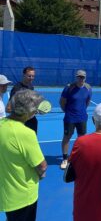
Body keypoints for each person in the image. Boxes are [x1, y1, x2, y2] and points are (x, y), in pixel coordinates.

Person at [0, 89, 47, 221]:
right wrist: (41, 174)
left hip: (6, 193)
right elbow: (42, 166)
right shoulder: (26, 134)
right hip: (23, 196)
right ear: (28, 111)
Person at [59, 69, 92, 169]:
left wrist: (82, 110)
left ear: (85, 78)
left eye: (83, 77)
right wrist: (67, 111)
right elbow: (62, 101)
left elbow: (87, 101)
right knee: (67, 137)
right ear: (76, 77)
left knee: (81, 139)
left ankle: (79, 157)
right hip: (70, 118)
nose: (81, 79)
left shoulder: (88, 88)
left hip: (82, 118)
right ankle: (65, 158)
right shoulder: (69, 88)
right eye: (79, 77)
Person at [6, 66, 38, 133]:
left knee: (32, 137)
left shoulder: (31, 86)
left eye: (33, 76)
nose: (31, 78)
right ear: (24, 75)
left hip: (30, 119)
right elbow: (9, 108)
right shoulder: (17, 88)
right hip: (20, 120)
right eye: (29, 76)